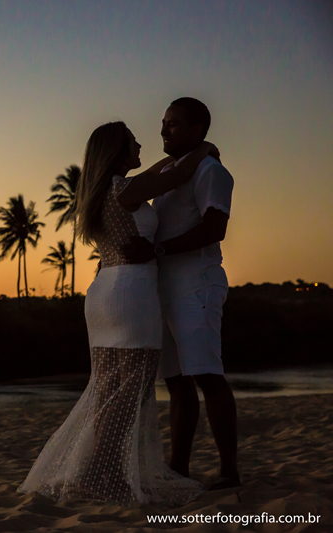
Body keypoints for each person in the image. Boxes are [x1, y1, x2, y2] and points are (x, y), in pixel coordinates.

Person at [18, 121, 215, 505]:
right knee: (132, 390)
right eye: (133, 142)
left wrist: (170, 160)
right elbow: (176, 174)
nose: (141, 144)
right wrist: (203, 150)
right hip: (131, 292)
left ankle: (94, 470)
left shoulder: (103, 190)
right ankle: (99, 472)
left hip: (103, 290)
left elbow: (156, 171)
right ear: (118, 152)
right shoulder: (127, 189)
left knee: (108, 389)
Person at [124, 97, 239, 490]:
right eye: (163, 123)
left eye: (172, 124)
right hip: (164, 288)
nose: (162, 131)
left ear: (196, 130)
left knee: (207, 374)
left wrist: (158, 250)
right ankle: (179, 467)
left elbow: (215, 228)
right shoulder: (173, 173)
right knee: (176, 380)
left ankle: (228, 471)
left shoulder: (210, 171)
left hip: (197, 284)